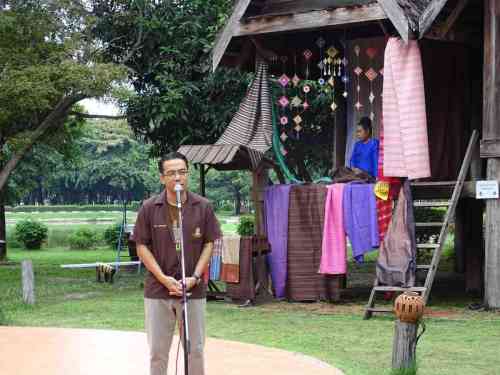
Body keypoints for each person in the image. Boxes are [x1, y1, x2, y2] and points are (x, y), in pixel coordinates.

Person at [133, 152, 222, 375]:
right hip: (158, 291)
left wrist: (194, 277)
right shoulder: (149, 207)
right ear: (162, 178)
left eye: (182, 172)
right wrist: (163, 279)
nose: (178, 178)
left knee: (195, 351)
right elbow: (141, 246)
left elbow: (209, 243)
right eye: (171, 173)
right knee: (157, 352)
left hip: (192, 291)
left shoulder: (203, 206)